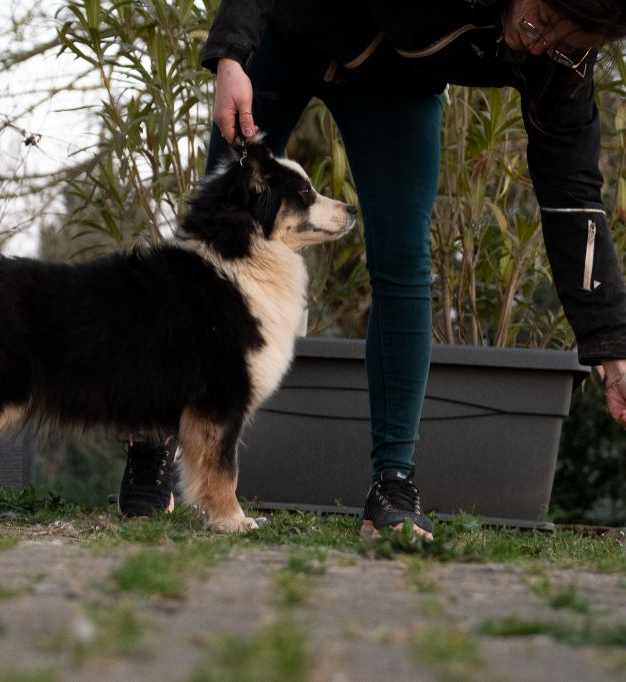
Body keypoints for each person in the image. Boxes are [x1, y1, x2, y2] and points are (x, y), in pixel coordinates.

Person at [118, 0, 626, 538]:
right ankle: (152, 431)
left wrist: (613, 349)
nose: (538, 44)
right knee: (212, 241)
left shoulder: (561, 60)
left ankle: (393, 483)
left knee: (405, 259)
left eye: (567, 43)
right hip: (286, 33)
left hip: (395, 82)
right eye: (540, 21)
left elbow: (574, 199)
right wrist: (229, 57)